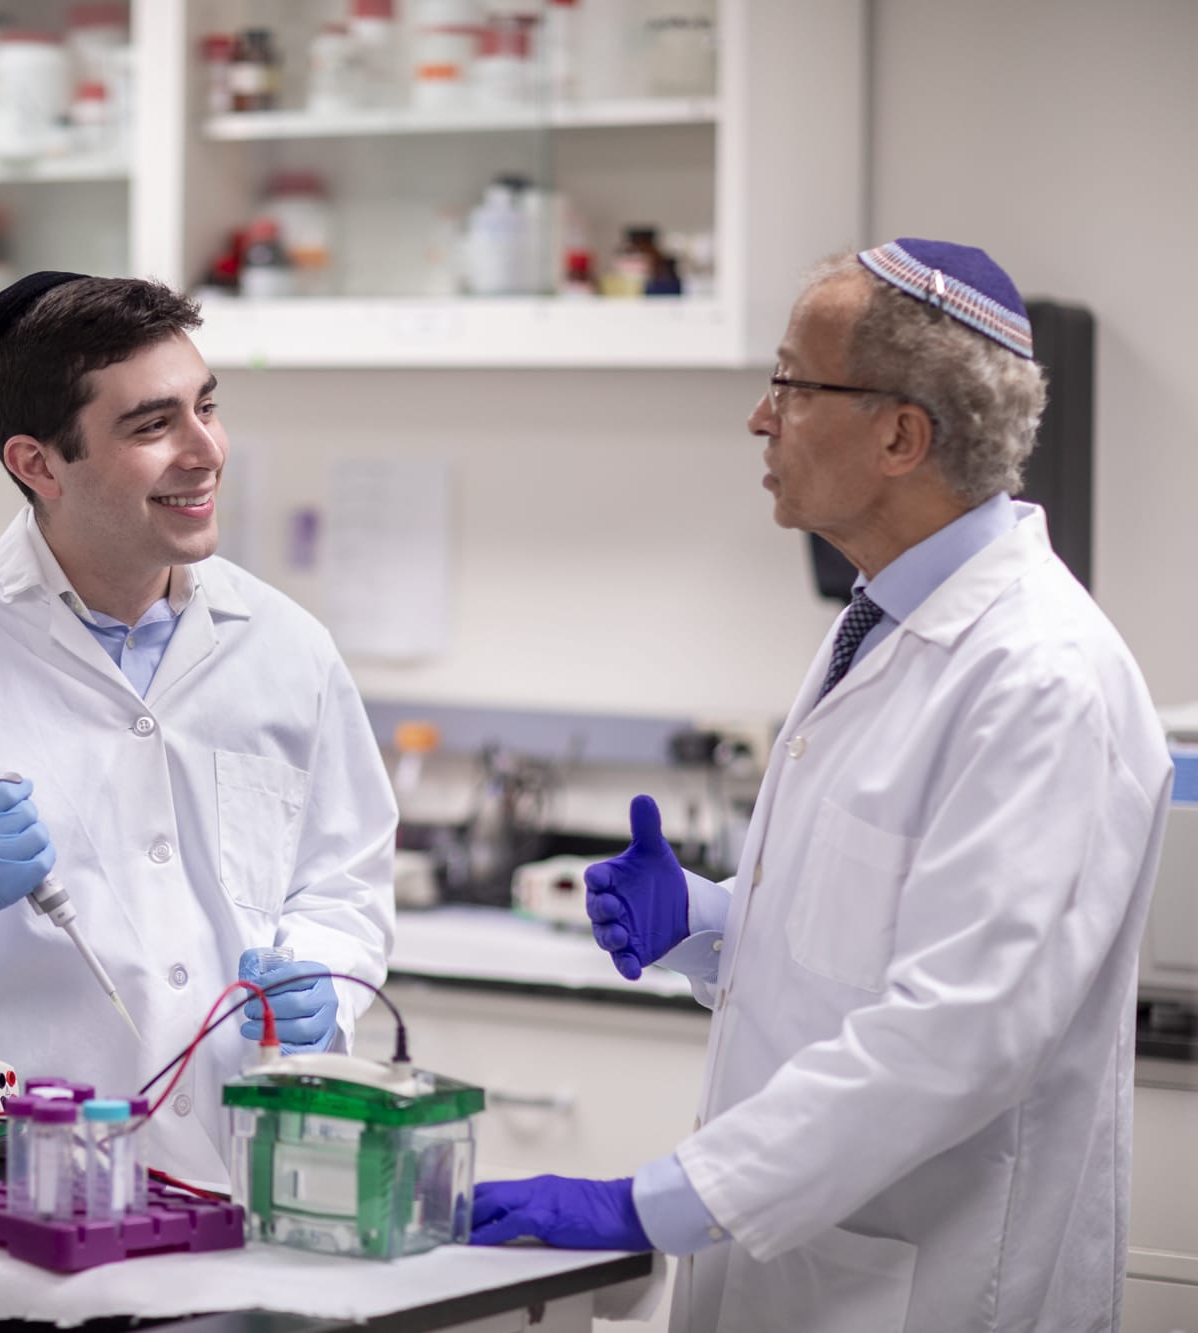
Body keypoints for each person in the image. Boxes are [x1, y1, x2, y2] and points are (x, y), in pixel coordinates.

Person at [470, 240, 1172, 1333]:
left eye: (792, 386)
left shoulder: (1039, 678)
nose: (760, 417)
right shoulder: (881, 622)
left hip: (930, 1291)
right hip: (812, 1274)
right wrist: (711, 927)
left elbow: (958, 1032)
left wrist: (651, 1203)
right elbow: (864, 946)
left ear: (900, 435)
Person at [0, 273, 396, 1183]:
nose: (206, 450)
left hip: (240, 1183)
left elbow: (344, 887)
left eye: (207, 406)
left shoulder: (289, 648)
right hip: (2, 1194)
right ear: (39, 464)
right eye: (153, 425)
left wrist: (323, 983)